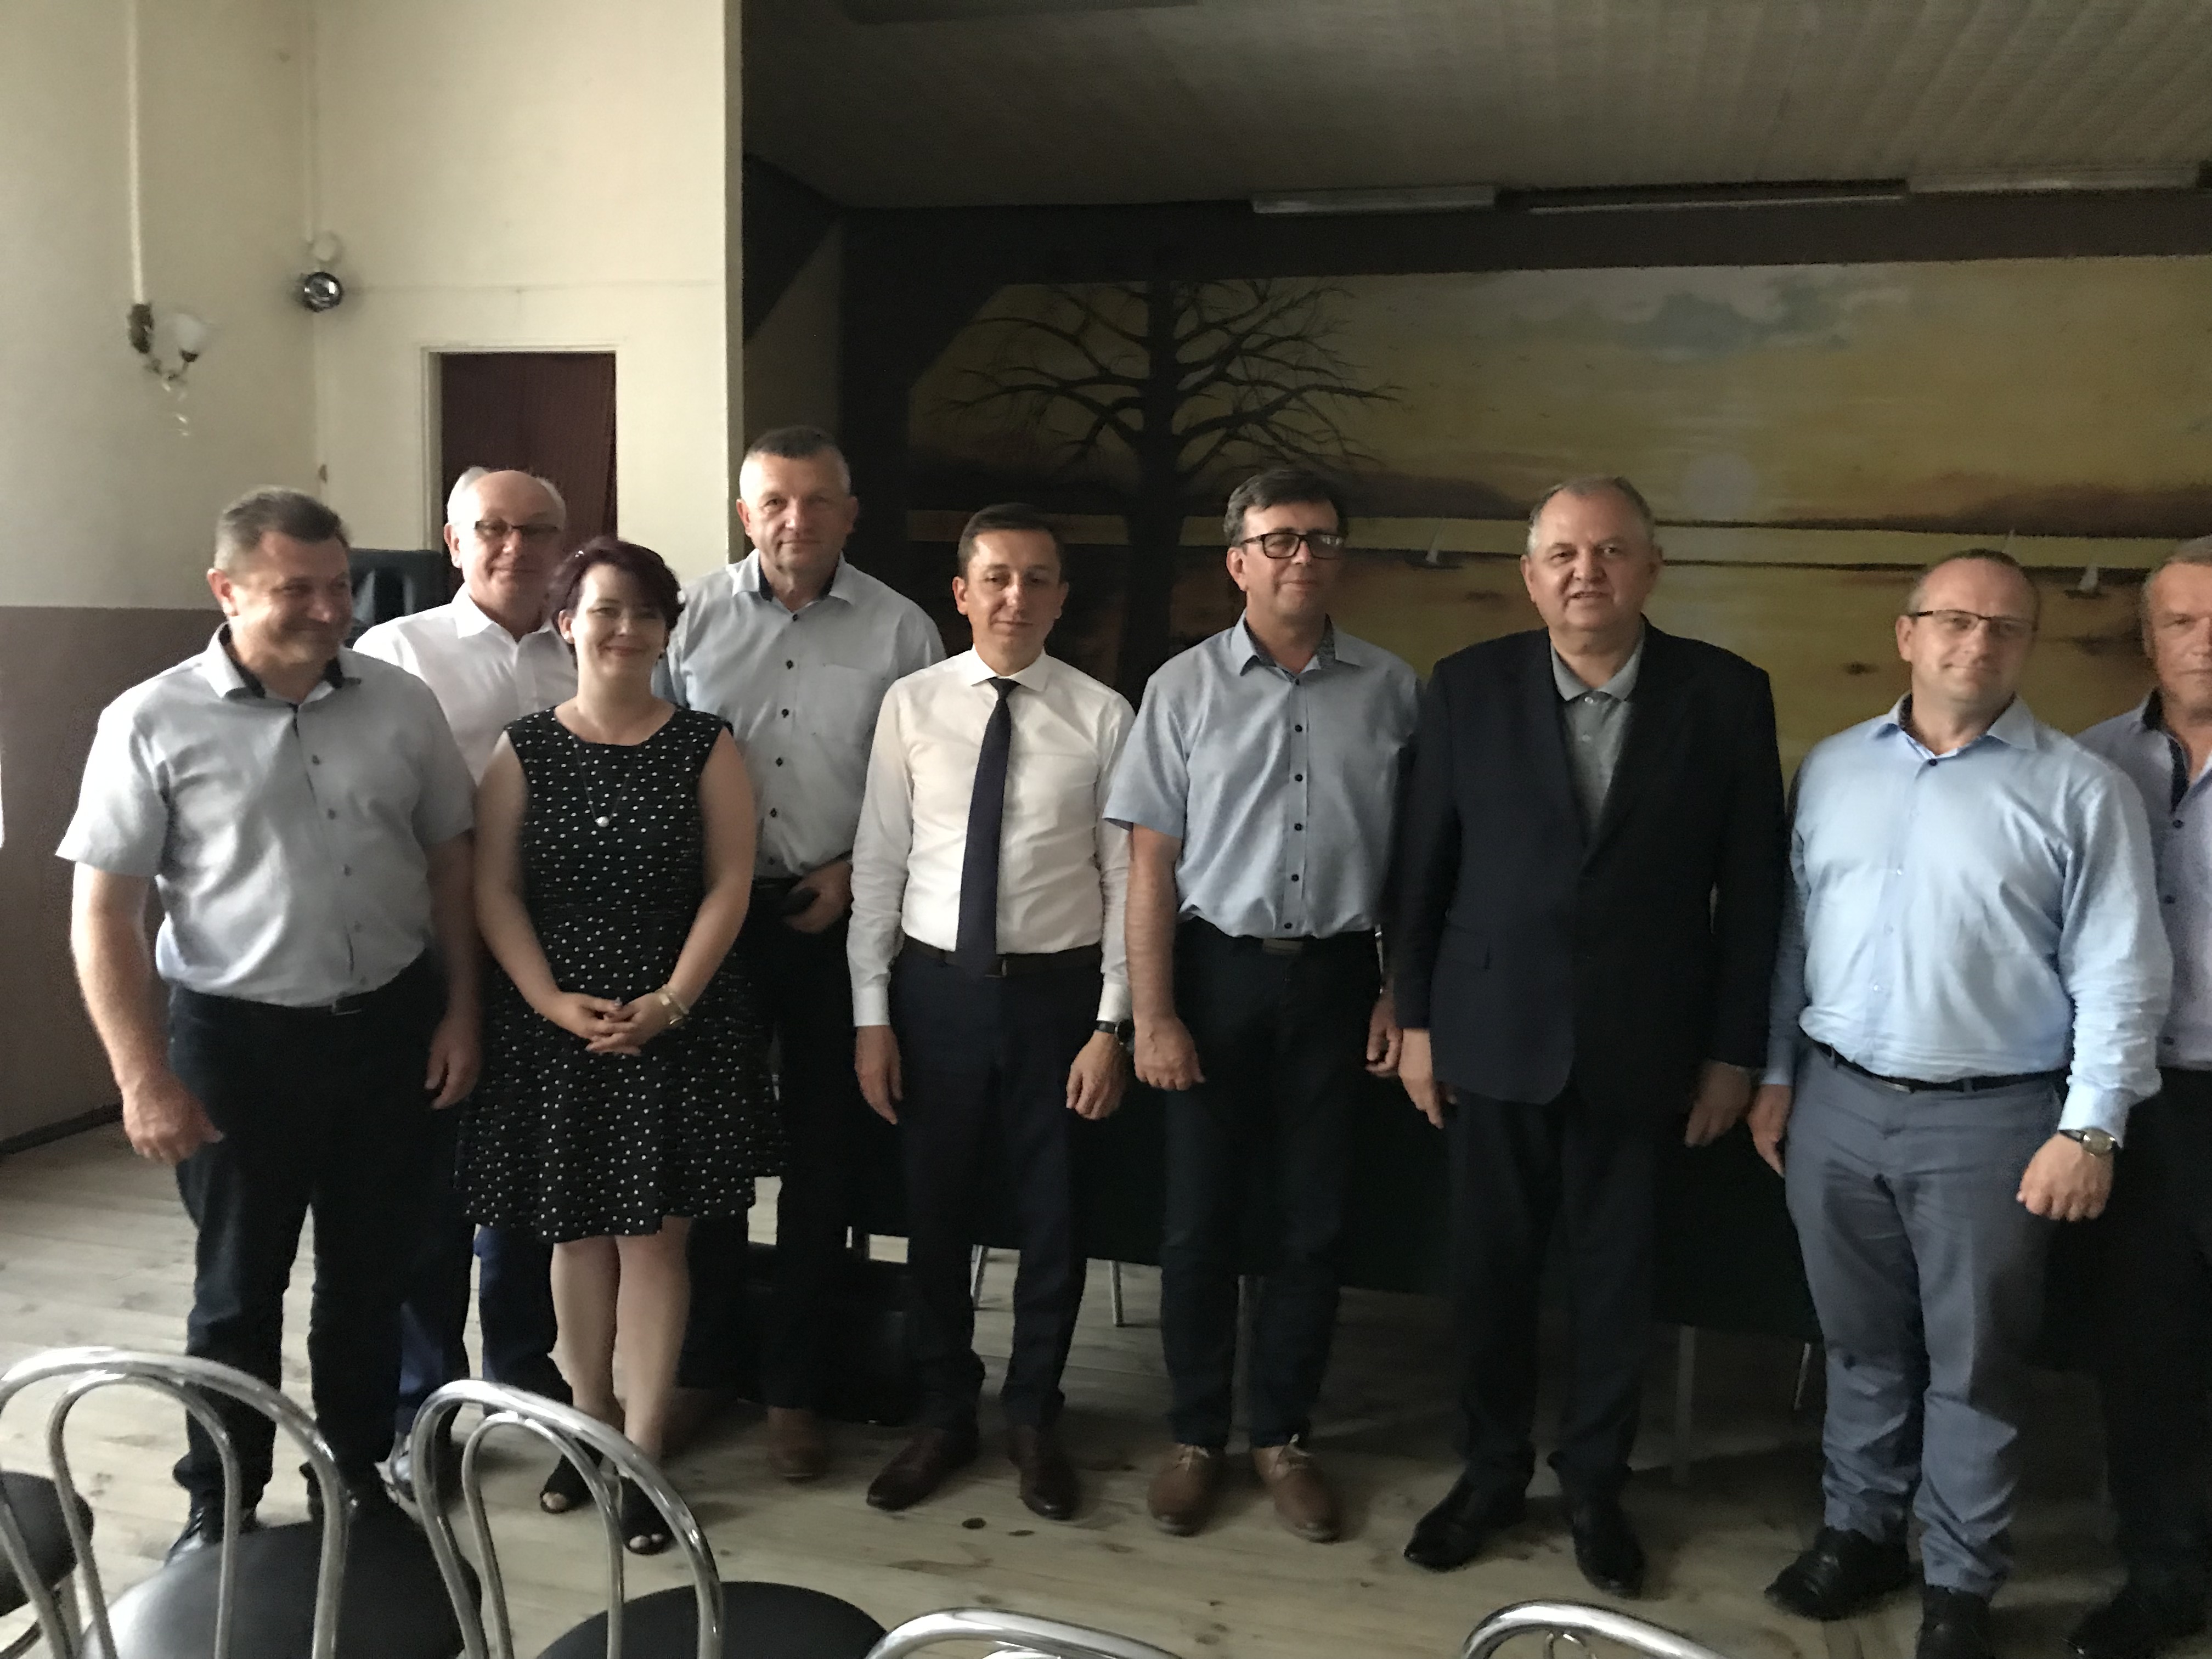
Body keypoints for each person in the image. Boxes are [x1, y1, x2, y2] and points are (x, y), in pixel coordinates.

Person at [1756, 549, 2169, 1659]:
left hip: (1993, 1121)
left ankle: (1960, 1582)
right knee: (1859, 1347)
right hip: (1836, 1103)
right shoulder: (1832, 770)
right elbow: (1794, 937)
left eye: (2003, 626)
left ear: (2028, 645)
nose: (1975, 643)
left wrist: (2091, 1127)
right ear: (1908, 633)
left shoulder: (2082, 791)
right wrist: (1776, 1076)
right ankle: (1860, 1534)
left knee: (1975, 1366)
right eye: (1952, 619)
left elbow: (2123, 973)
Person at [59, 487, 480, 1558]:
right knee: (237, 1291)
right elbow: (105, 913)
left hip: (388, 1032)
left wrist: (461, 1013)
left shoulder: (401, 704)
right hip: (239, 1048)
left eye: (339, 586)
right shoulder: (150, 720)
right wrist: (142, 1077)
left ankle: (354, 1475)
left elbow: (450, 864)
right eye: (299, 589)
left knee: (369, 1280)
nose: (330, 610)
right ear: (228, 589)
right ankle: (223, 1495)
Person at [1392, 475, 1785, 1594]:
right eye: (1563, 554)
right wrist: (1414, 1020)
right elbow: (1421, 870)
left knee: (1618, 1283)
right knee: (1490, 1275)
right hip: (1488, 1034)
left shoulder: (1725, 694)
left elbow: (1754, 891)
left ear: (1652, 568)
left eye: (1610, 551)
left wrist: (1733, 1051)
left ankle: (1597, 1484)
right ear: (1530, 576)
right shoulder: (1467, 686)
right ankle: (1489, 1471)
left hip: (1647, 1043)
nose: (1586, 572)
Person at [1103, 465, 1417, 1543]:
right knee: (1199, 1222)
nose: (1302, 558)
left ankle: (1284, 1436)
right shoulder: (1181, 690)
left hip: (1339, 980)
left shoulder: (1393, 691)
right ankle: (1197, 1435)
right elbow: (1150, 867)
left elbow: (1416, 867)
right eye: (1279, 540)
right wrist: (1153, 1015)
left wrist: (1399, 993)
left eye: (1321, 539)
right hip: (1214, 976)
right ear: (1237, 561)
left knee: (1313, 1223)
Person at [462, 537, 781, 1555]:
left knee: (656, 1241)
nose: (626, 630)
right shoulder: (523, 747)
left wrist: (674, 1000)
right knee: (575, 1234)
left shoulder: (704, 743)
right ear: (567, 625)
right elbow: (492, 888)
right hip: (556, 1020)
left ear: (667, 630)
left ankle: (643, 1450)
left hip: (676, 1021)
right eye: (605, 610)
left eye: (647, 613)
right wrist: (548, 1001)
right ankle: (588, 1426)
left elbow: (731, 882)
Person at [660, 425, 942, 1479]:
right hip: (710, 925)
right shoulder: (687, 619)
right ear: (747, 514)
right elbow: (654, 756)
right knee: (711, 1159)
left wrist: (855, 875)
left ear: (849, 514)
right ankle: (703, 1368)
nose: (796, 520)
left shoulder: (903, 630)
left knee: (825, 1163)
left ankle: (795, 1387)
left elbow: (929, 785)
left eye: (818, 500)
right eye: (775, 501)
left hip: (836, 920)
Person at [848, 503, 1132, 1520]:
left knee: (1056, 1220)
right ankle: (942, 1413)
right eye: (997, 578)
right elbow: (879, 864)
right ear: (962, 593)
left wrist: (1111, 1025)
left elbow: (1124, 881)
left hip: (1059, 999)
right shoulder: (912, 705)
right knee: (935, 1215)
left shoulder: (1103, 716)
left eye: (1037, 578)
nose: (1017, 596)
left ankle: (1035, 1416)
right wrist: (872, 1016)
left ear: (1061, 598)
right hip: (935, 997)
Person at [353, 466, 577, 1499]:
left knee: (529, 1185)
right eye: (493, 528)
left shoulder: (585, 644)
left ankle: (525, 1376)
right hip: (437, 950)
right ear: (453, 541)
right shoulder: (396, 655)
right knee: (431, 1195)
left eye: (537, 531)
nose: (515, 548)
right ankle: (422, 1406)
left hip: (557, 950)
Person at [2067, 535, 2212, 1659]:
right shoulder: (2090, 763)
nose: (2204, 642)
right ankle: (2163, 1576)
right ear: (2148, 638)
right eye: (2181, 620)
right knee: (2149, 1353)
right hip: (2141, 1104)